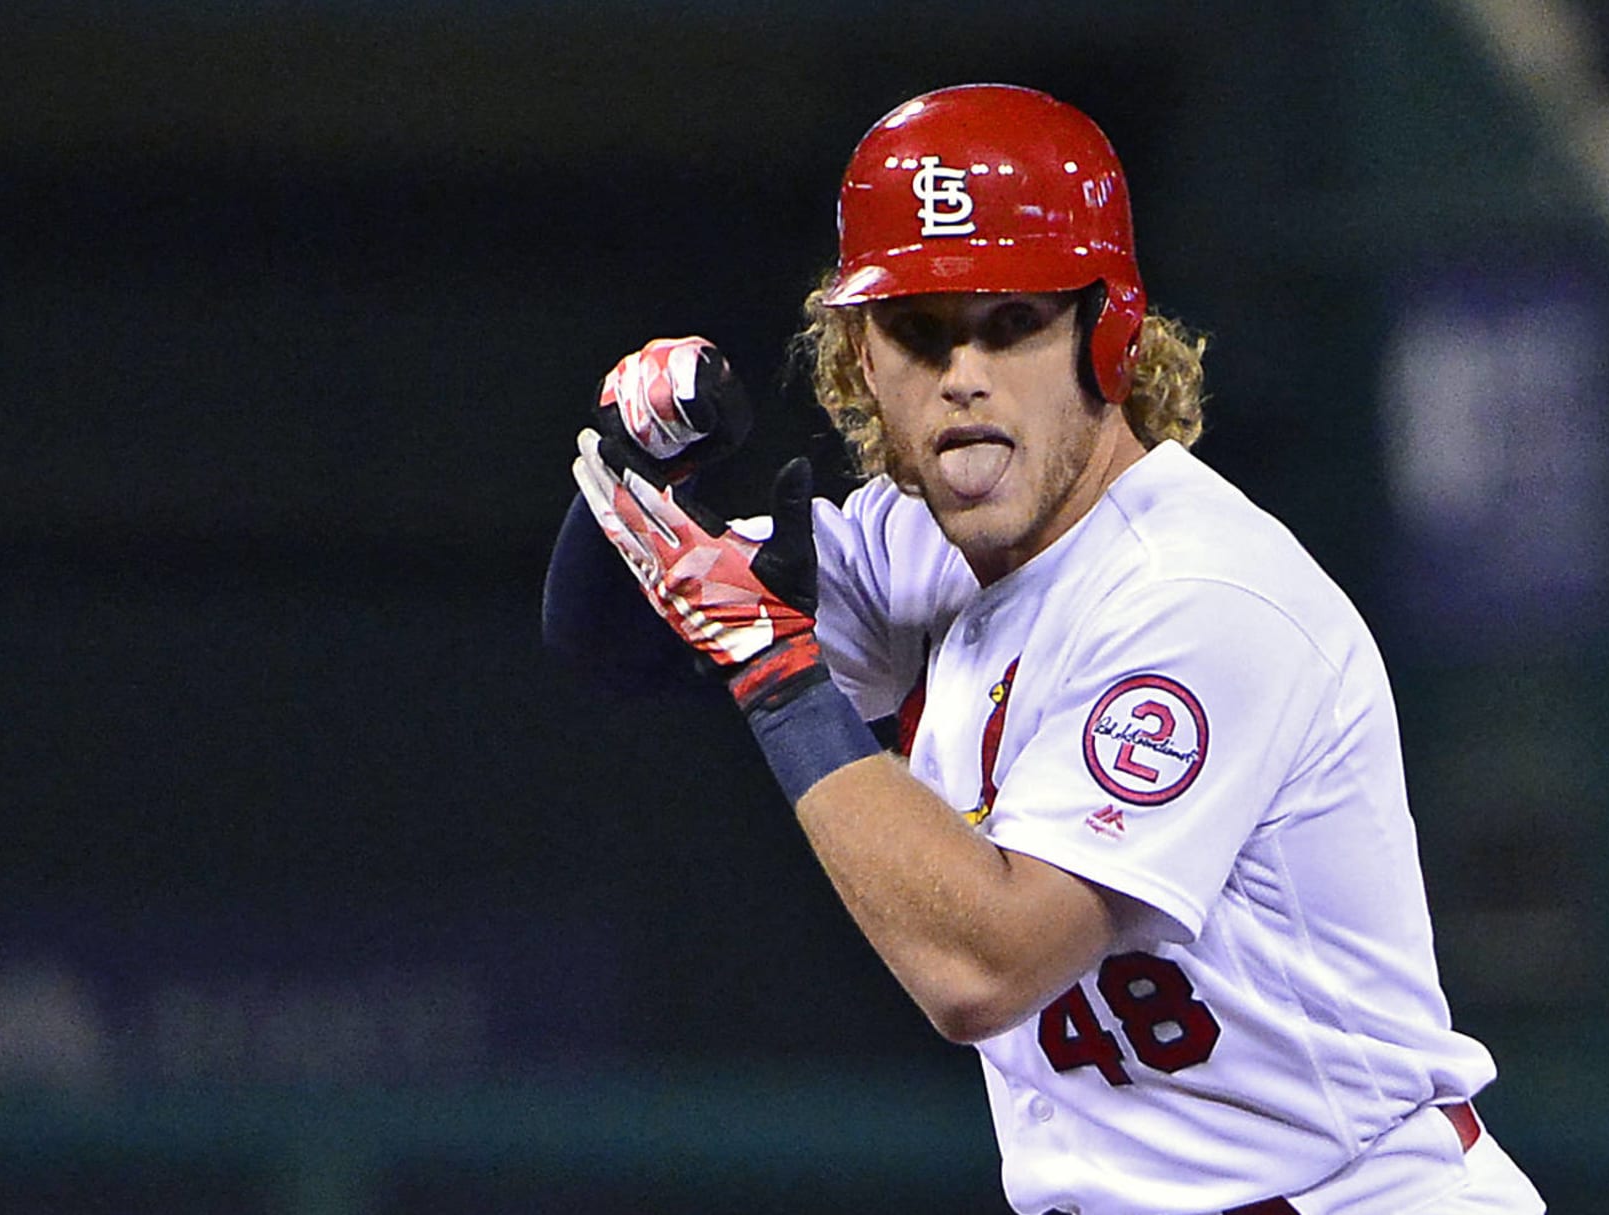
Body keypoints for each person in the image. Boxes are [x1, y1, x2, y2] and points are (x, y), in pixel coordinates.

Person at [548, 83, 1546, 1215]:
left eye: (1011, 322)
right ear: (858, 362)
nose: (963, 372)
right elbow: (616, 648)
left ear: (1107, 337)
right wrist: (633, 462)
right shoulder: (917, 543)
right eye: (919, 332)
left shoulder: (1198, 594)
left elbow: (986, 968)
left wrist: (783, 683)